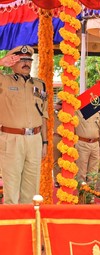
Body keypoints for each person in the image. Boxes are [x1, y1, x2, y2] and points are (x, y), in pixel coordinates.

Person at [0, 45, 48, 204]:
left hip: (34, 139)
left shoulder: (40, 85)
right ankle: (12, 227)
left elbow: (44, 115)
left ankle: (29, 225)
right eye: (21, 59)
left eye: (28, 60)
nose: (26, 63)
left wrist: (45, 142)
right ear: (12, 63)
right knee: (11, 190)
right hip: (11, 139)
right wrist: (1, 62)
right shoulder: (4, 81)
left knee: (32, 190)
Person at [75, 111, 100, 183]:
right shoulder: (78, 112)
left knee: (94, 172)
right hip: (82, 144)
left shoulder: (98, 114)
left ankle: (91, 191)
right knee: (81, 171)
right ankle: (81, 192)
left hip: (95, 144)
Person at [53, 100, 62, 188]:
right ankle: (57, 180)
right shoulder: (54, 114)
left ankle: (66, 179)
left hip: (68, 138)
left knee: (67, 160)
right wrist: (56, 106)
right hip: (56, 137)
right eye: (60, 104)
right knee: (56, 160)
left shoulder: (70, 115)